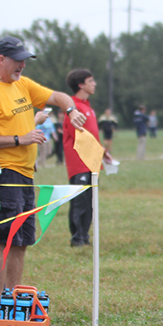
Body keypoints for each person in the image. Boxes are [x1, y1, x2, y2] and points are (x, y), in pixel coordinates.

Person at [0, 35, 89, 319]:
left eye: (25, 59)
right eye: (17, 59)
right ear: (1, 60)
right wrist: (19, 138)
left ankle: (13, 303)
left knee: (22, 240)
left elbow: (58, 97)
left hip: (26, 173)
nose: (23, 65)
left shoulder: (22, 84)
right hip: (4, 173)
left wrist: (70, 110)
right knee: (2, 239)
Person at [63, 69, 108, 247]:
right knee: (79, 201)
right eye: (91, 81)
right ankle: (77, 237)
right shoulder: (74, 108)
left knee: (90, 201)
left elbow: (92, 136)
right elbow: (79, 137)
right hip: (79, 163)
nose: (94, 84)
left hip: (91, 162)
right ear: (81, 85)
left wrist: (102, 151)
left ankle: (85, 235)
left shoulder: (87, 106)